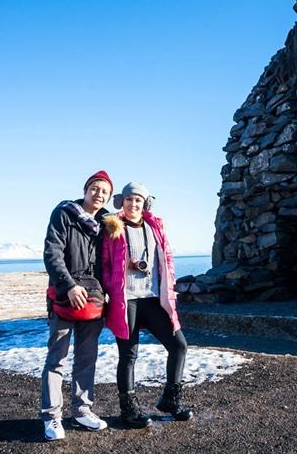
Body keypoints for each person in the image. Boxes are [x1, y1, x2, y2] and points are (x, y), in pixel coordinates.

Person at [101, 182, 193, 428]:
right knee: (129, 355)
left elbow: (167, 257)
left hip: (152, 298)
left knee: (179, 345)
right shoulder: (112, 227)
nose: (133, 204)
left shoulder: (155, 226)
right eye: (129, 199)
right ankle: (129, 410)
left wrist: (169, 285)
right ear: (122, 201)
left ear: (145, 203)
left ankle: (170, 400)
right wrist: (113, 286)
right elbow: (105, 264)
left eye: (138, 200)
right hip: (126, 301)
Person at [39, 170, 113, 441]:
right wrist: (68, 285)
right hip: (64, 296)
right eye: (95, 188)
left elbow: (109, 264)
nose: (99, 194)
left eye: (104, 191)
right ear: (85, 190)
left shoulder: (107, 224)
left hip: (93, 300)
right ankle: (51, 416)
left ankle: (82, 410)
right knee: (57, 358)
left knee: (86, 357)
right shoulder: (64, 214)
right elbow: (52, 253)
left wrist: (108, 293)